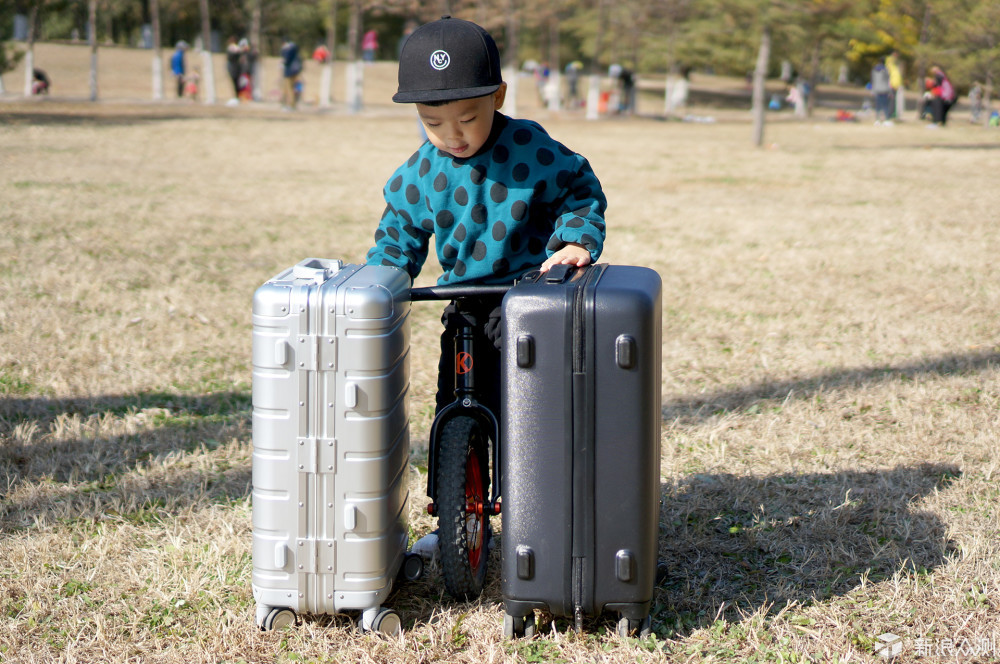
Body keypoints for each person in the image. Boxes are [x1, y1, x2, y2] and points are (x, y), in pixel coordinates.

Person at [364, 16, 607, 421]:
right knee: (455, 402)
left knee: (526, 408)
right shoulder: (420, 172)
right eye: (433, 123)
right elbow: (398, 232)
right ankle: (458, 475)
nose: (453, 136)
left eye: (468, 119)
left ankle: (527, 471)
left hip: (530, 299)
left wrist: (575, 241)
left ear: (497, 97)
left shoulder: (530, 149)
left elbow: (578, 190)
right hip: (461, 302)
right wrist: (383, 279)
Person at [280, 38, 302, 110]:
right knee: (294, 88)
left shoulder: (288, 50)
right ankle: (293, 104)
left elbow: (286, 60)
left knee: (289, 88)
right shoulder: (295, 50)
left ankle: (290, 105)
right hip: (296, 71)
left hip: (289, 72)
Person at [871, 59, 892, 125]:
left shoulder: (874, 70)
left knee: (878, 106)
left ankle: (877, 120)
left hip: (877, 89)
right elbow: (887, 80)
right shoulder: (885, 70)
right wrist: (889, 91)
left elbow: (873, 80)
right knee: (885, 105)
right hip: (884, 90)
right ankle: (886, 119)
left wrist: (873, 89)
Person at [226, 37, 242, 102]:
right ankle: (236, 96)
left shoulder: (237, 49)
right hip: (232, 68)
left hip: (236, 68)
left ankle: (238, 96)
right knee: (234, 82)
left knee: (237, 83)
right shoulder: (231, 49)